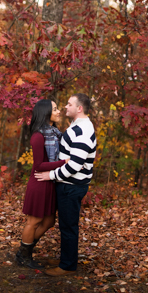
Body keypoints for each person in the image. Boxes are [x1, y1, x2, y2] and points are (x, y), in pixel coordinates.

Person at [35, 93, 96, 277]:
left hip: (71, 185)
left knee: (68, 226)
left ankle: (67, 266)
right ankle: (66, 258)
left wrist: (51, 175)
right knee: (66, 225)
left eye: (69, 104)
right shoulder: (77, 126)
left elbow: (75, 165)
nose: (65, 107)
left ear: (79, 108)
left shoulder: (83, 131)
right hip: (67, 183)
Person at [16, 99, 67, 269]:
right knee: (34, 221)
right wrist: (64, 162)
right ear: (46, 112)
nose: (59, 111)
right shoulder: (38, 136)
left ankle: (25, 249)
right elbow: (38, 165)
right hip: (39, 182)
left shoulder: (55, 133)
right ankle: (24, 254)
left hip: (50, 181)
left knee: (49, 221)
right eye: (55, 109)